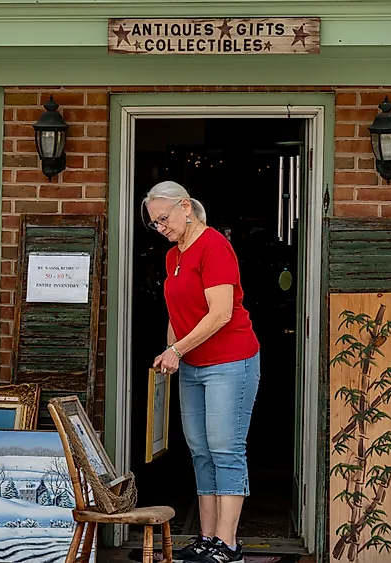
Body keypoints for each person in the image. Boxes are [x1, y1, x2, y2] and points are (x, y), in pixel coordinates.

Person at [144, 181, 260, 563]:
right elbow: (177, 315)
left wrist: (177, 349)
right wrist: (170, 350)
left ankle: (229, 545)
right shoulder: (172, 256)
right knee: (200, 451)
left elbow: (222, 313)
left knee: (226, 449)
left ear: (186, 208)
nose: (161, 228)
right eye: (154, 223)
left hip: (230, 361)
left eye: (164, 218)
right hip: (192, 364)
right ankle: (207, 537)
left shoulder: (214, 246)